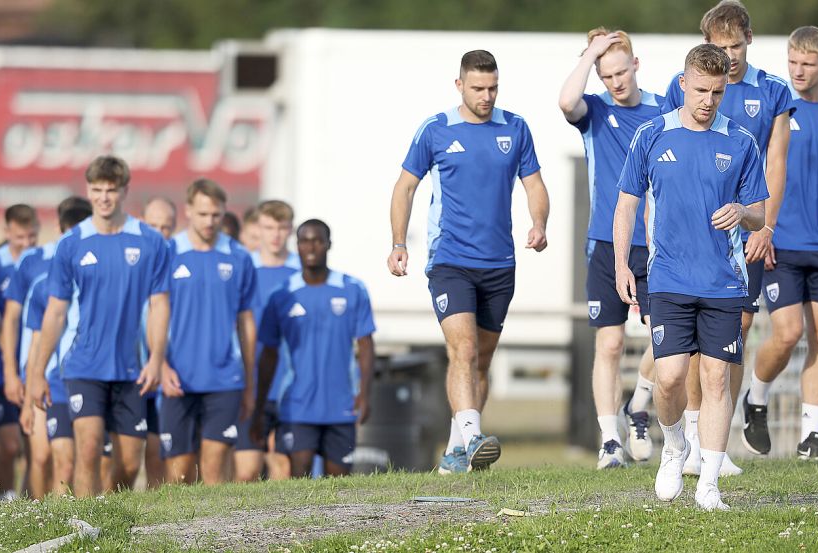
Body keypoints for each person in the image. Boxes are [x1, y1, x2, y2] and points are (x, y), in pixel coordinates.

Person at [614, 44, 768, 510]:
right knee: (670, 377)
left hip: (723, 281)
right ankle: (675, 444)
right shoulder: (652, 135)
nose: (708, 100)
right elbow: (626, 204)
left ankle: (710, 484)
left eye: (717, 93)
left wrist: (742, 212)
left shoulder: (741, 141)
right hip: (667, 279)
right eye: (701, 90)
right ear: (683, 84)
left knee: (717, 379)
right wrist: (623, 264)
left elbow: (760, 214)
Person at [387, 49, 549, 473]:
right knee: (462, 350)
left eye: (493, 87)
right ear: (459, 85)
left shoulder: (515, 129)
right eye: (478, 88)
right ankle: (475, 437)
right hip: (451, 260)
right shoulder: (436, 130)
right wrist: (399, 242)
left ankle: (455, 453)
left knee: (482, 359)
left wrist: (539, 222)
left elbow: (534, 185)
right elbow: (404, 188)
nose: (487, 95)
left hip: (500, 263)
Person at [661, 0, 792, 478]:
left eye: (736, 45)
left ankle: (715, 440)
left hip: (746, 234)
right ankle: (691, 437)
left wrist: (766, 226)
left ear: (749, 41)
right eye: (720, 47)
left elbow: (776, 163)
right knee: (691, 344)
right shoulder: (687, 88)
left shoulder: (773, 92)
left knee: (734, 333)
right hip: (690, 243)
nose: (729, 55)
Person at [746, 26, 818, 460]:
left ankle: (811, 439)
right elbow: (754, 170)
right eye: (792, 61)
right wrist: (763, 228)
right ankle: (755, 398)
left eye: (807, 64)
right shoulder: (777, 109)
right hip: (781, 242)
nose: (798, 70)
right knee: (788, 332)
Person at [27, 155, 170, 497]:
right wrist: (36, 372)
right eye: (96, 190)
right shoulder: (72, 243)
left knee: (131, 464)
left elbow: (159, 305)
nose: (104, 197)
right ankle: (82, 530)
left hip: (130, 367)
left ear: (124, 190)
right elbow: (56, 313)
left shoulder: (150, 242)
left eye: (111, 190)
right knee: (88, 449)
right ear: (88, 191)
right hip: (83, 365)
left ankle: (108, 515)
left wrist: (157, 360)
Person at [558, 27, 662, 468]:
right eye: (607, 76)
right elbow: (566, 101)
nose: (616, 82)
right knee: (610, 344)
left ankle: (638, 404)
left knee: (668, 339)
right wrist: (591, 55)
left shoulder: (663, 109)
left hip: (658, 244)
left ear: (636, 66)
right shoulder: (595, 111)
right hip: (606, 242)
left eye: (621, 72)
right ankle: (609, 441)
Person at [253, 219, 374, 477]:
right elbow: (269, 354)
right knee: (300, 481)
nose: (311, 247)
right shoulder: (282, 294)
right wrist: (260, 404)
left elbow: (365, 345)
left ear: (328, 244)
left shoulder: (352, 288)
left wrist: (364, 394)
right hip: (298, 406)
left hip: (341, 405)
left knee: (339, 486)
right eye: (305, 240)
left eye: (318, 240)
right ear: (296, 245)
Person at [160, 179, 257, 485]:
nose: (209, 221)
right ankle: (176, 533)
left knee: (215, 470)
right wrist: (159, 365)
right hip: (178, 377)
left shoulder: (239, 257)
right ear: (188, 211)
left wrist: (249, 381)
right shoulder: (168, 252)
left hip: (224, 377)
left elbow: (246, 322)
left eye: (215, 214)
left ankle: (217, 534)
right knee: (179, 474)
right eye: (202, 214)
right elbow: (152, 315)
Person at [18, 200, 93, 496]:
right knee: (57, 460)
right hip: (56, 380)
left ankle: (100, 523)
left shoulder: (102, 278)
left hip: (93, 375)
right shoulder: (44, 285)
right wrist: (30, 388)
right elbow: (36, 339)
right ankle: (49, 522)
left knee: (93, 460)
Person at [235, 200, 300, 482]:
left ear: (290, 230)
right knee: (246, 470)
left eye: (281, 228)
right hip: (249, 381)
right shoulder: (242, 267)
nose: (275, 235)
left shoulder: (302, 272)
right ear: (257, 229)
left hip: (288, 382)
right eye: (268, 227)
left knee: (282, 469)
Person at [0, 204, 39, 502]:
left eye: (32, 236)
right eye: (20, 237)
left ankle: (30, 506)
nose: (27, 243)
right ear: (7, 233)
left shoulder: (44, 262)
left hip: (35, 368)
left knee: (36, 447)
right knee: (7, 445)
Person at [140, 196, 178, 488]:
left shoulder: (180, 263)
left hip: (175, 370)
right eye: (153, 226)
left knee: (168, 452)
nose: (160, 233)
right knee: (140, 454)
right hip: (137, 371)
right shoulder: (134, 261)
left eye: (166, 227)